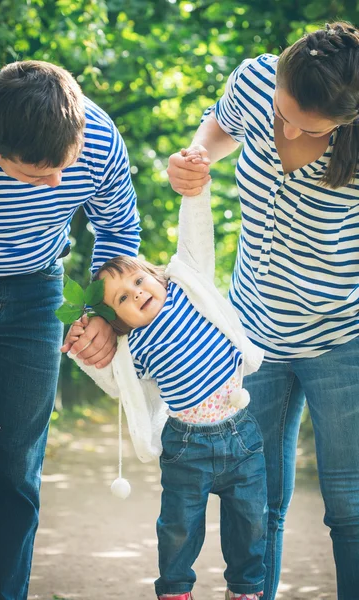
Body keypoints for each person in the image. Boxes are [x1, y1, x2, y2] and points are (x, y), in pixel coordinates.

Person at [166, 20, 359, 600]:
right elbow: (219, 131)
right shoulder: (254, 79)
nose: (289, 127)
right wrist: (196, 156)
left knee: (350, 506)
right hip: (252, 335)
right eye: (285, 108)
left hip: (340, 338)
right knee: (257, 501)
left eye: (309, 124)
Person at [0, 59, 140, 599]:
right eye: (37, 175)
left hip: (38, 289)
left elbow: (117, 227)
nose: (57, 184)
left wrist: (103, 314)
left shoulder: (100, 138)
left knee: (13, 468)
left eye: (65, 165)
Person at [69, 172, 267, 600]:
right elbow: (115, 382)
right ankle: (175, 589)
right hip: (186, 446)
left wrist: (194, 193)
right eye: (122, 298)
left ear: (157, 277)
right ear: (118, 318)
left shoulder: (188, 289)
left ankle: (246, 588)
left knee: (251, 518)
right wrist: (83, 351)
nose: (136, 294)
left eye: (138, 281)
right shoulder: (131, 345)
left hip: (241, 430)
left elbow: (196, 236)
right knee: (178, 525)